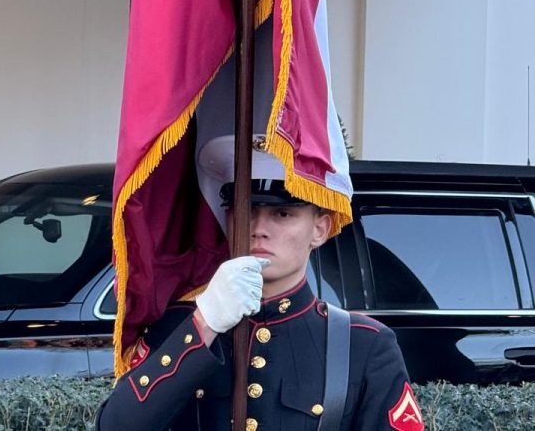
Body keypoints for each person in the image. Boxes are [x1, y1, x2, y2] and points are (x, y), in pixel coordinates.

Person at [96, 136, 424, 431]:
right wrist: (204, 324)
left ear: (320, 229)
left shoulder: (364, 345)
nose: (258, 229)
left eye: (283, 214)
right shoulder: (179, 327)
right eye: (247, 209)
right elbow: (113, 426)